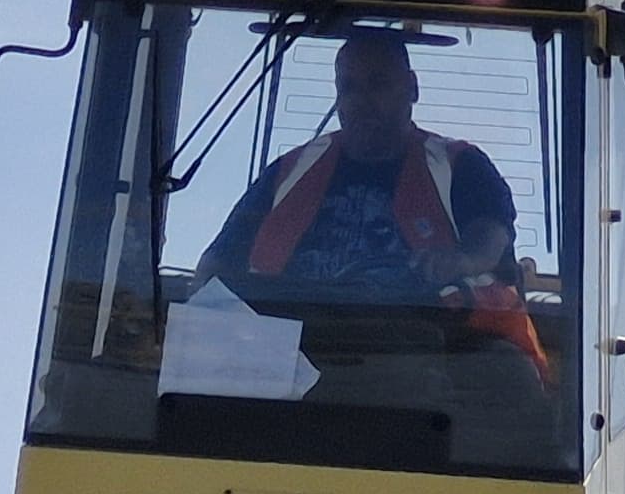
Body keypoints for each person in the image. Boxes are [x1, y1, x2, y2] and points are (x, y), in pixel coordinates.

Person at [203, 29, 543, 374]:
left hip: (422, 357)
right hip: (289, 353)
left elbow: (489, 239)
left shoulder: (459, 166)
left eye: (377, 84)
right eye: (348, 87)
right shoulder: (288, 173)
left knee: (509, 375)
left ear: (412, 88)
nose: (361, 100)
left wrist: (462, 261)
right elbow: (215, 267)